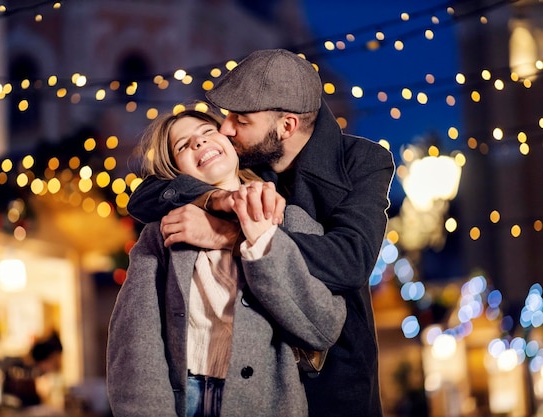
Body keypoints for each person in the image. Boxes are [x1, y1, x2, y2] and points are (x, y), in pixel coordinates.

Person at [126, 49, 395, 417]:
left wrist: (228, 235)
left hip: (333, 378)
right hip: (251, 385)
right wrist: (216, 198)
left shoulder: (362, 162)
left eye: (240, 119)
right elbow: (146, 195)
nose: (225, 129)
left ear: (286, 126)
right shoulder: (249, 161)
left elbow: (350, 260)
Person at [106, 108, 346, 417]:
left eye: (208, 133)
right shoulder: (162, 234)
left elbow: (322, 328)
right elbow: (134, 345)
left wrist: (260, 241)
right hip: (183, 402)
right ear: (176, 171)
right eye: (182, 146)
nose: (198, 143)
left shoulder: (292, 221)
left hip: (264, 404)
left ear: (231, 142)